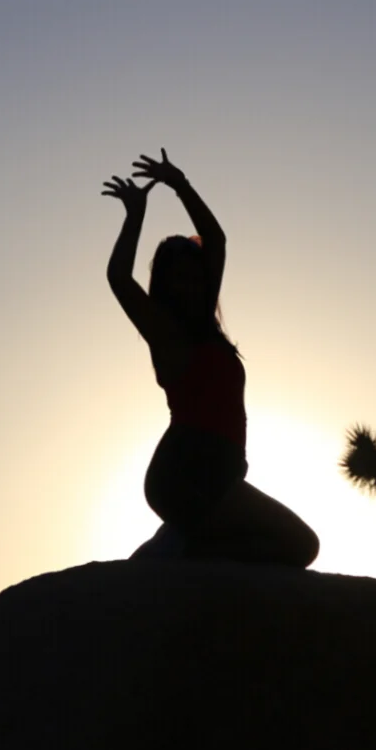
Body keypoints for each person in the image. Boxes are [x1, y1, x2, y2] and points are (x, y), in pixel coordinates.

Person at [103, 149, 319, 567]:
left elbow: (216, 240)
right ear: (164, 286)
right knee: (297, 547)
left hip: (223, 474)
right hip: (184, 472)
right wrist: (135, 214)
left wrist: (179, 183)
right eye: (176, 277)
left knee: (300, 547)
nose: (188, 284)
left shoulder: (206, 326)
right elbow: (118, 278)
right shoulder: (165, 332)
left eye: (194, 275)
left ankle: (182, 548)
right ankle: (183, 553)